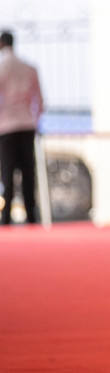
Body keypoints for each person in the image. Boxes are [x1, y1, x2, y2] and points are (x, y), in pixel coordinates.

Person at [0, 31, 44, 226]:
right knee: (28, 173)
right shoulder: (29, 68)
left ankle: (6, 218)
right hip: (27, 126)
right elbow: (40, 102)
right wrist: (35, 121)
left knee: (7, 173)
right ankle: (32, 217)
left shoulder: (2, 68)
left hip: (6, 127)